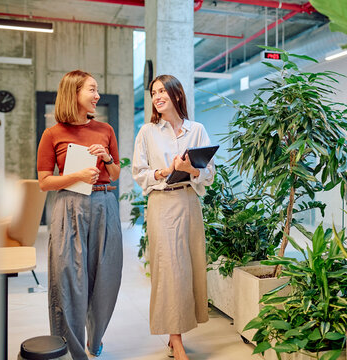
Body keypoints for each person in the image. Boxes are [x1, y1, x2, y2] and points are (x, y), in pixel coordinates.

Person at [36, 70, 123, 360]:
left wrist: (107, 158)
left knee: (105, 276)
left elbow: (115, 173)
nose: (97, 95)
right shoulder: (52, 134)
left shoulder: (105, 130)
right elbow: (44, 181)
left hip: (104, 204)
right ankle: (73, 349)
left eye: (97, 90)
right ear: (74, 93)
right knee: (69, 280)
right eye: (92, 90)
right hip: (68, 207)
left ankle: (95, 339)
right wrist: (75, 176)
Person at [132, 74, 215, 360]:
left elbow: (209, 173)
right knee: (169, 271)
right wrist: (164, 171)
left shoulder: (197, 130)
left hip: (189, 202)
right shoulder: (147, 132)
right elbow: (139, 173)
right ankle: (175, 340)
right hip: (162, 203)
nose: (156, 96)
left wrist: (191, 169)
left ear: (176, 95)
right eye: (153, 92)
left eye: (161, 91)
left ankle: (176, 335)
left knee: (188, 268)